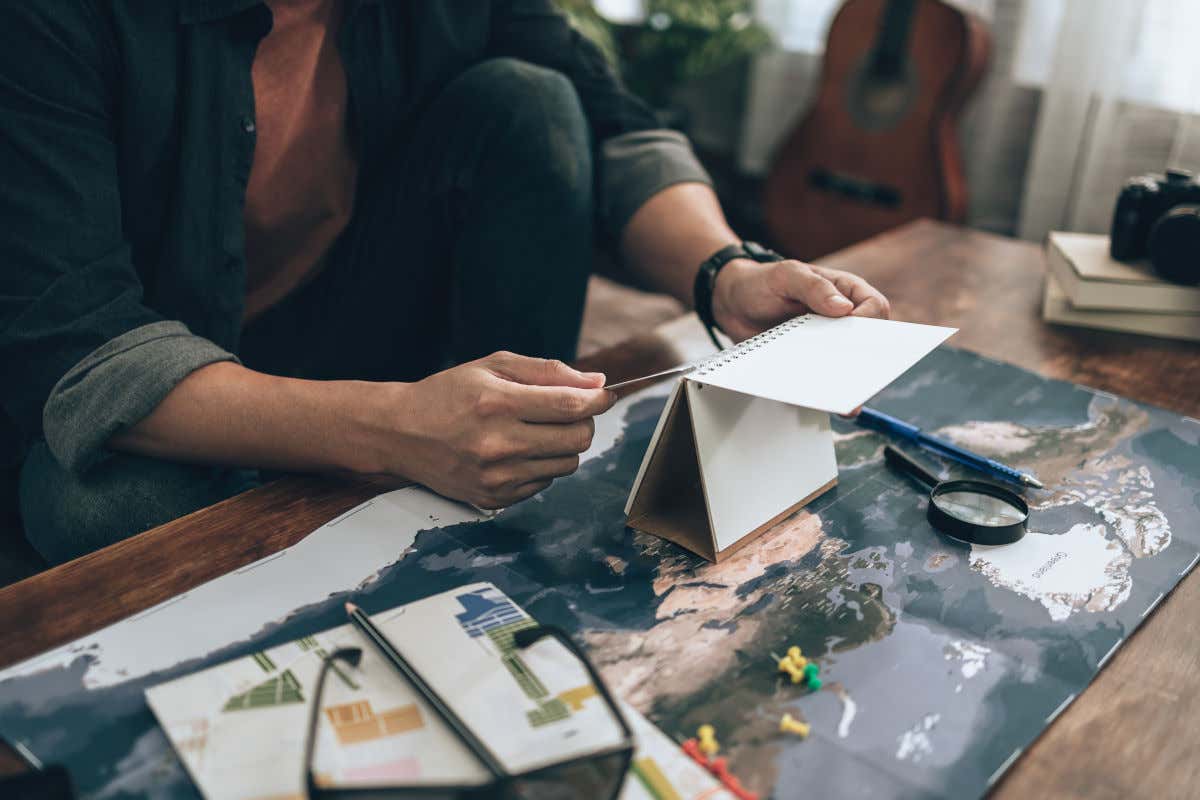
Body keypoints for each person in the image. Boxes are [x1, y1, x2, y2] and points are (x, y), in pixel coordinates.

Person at [0, 0, 890, 565]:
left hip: (345, 334)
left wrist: (725, 271)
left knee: (531, 100)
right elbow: (77, 344)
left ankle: (493, 477)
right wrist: (397, 430)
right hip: (158, 388)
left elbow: (612, 123)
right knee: (103, 506)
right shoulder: (48, 23)